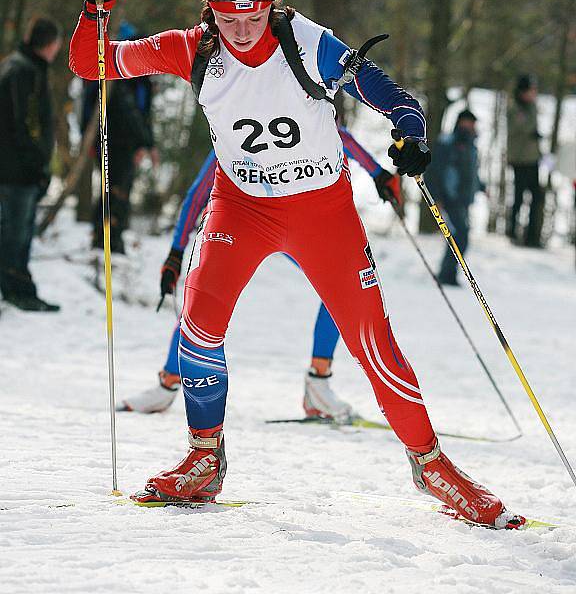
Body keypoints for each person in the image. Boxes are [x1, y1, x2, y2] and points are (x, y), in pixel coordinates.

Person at [70, 0, 524, 528]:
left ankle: (433, 465)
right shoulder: (192, 49)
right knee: (199, 325)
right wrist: (94, 9)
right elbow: (92, 64)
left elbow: (389, 96)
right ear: (208, 4)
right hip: (243, 207)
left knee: (372, 343)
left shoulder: (306, 43)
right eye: (225, 9)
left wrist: (410, 131)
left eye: (253, 6)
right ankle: (205, 456)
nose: (240, 22)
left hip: (321, 212)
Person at [118, 129, 402, 420]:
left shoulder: (306, 112)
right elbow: (199, 191)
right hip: (245, 223)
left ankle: (318, 384)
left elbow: (338, 133)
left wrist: (379, 174)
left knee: (340, 287)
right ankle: (168, 383)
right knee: (206, 296)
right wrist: (176, 253)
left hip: (297, 223)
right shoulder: (236, 121)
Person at [0, 18, 62, 312]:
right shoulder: (22, 71)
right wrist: (38, 164)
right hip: (17, 170)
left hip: (23, 168)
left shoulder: (28, 67)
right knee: (15, 233)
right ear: (49, 44)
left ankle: (19, 286)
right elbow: (22, 124)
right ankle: (15, 289)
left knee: (20, 231)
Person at [80, 20, 158, 253]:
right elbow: (131, 113)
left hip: (124, 141)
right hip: (115, 140)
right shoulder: (120, 72)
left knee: (117, 187)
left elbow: (143, 113)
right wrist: (143, 142)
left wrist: (146, 143)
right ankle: (105, 238)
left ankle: (111, 236)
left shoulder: (139, 76)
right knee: (114, 188)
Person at [425, 110, 484, 286]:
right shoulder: (447, 143)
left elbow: (472, 173)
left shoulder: (471, 145)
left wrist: (481, 186)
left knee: (459, 236)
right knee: (460, 236)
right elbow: (434, 172)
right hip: (450, 199)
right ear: (459, 123)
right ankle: (446, 275)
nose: (470, 126)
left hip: (464, 199)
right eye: (467, 122)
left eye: (472, 123)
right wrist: (437, 197)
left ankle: (448, 273)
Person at [507, 75, 543, 248]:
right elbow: (520, 127)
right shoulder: (515, 108)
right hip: (520, 159)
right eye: (531, 90)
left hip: (533, 158)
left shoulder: (532, 106)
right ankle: (512, 231)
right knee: (519, 197)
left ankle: (532, 236)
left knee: (537, 197)